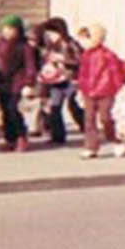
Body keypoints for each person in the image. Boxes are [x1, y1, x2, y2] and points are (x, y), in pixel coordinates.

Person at [76, 22, 125, 157]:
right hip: (89, 91)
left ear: (95, 38)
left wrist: (118, 87)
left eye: (85, 38)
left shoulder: (108, 55)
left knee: (105, 118)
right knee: (88, 119)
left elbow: (116, 72)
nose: (82, 42)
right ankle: (91, 147)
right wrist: (80, 89)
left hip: (105, 91)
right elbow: (83, 75)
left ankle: (115, 139)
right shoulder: (85, 55)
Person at [0, 16, 34, 150]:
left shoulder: (24, 46)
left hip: (17, 82)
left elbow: (30, 65)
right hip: (0, 81)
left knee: (13, 108)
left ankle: (21, 135)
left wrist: (29, 83)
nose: (7, 32)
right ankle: (9, 138)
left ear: (18, 30)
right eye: (5, 29)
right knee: (5, 110)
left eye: (11, 29)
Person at [31, 18, 79, 150]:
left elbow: (79, 60)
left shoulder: (70, 44)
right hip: (54, 80)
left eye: (52, 33)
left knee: (73, 105)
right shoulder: (49, 46)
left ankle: (86, 127)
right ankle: (58, 135)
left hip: (69, 79)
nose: (50, 37)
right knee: (54, 107)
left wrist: (64, 60)